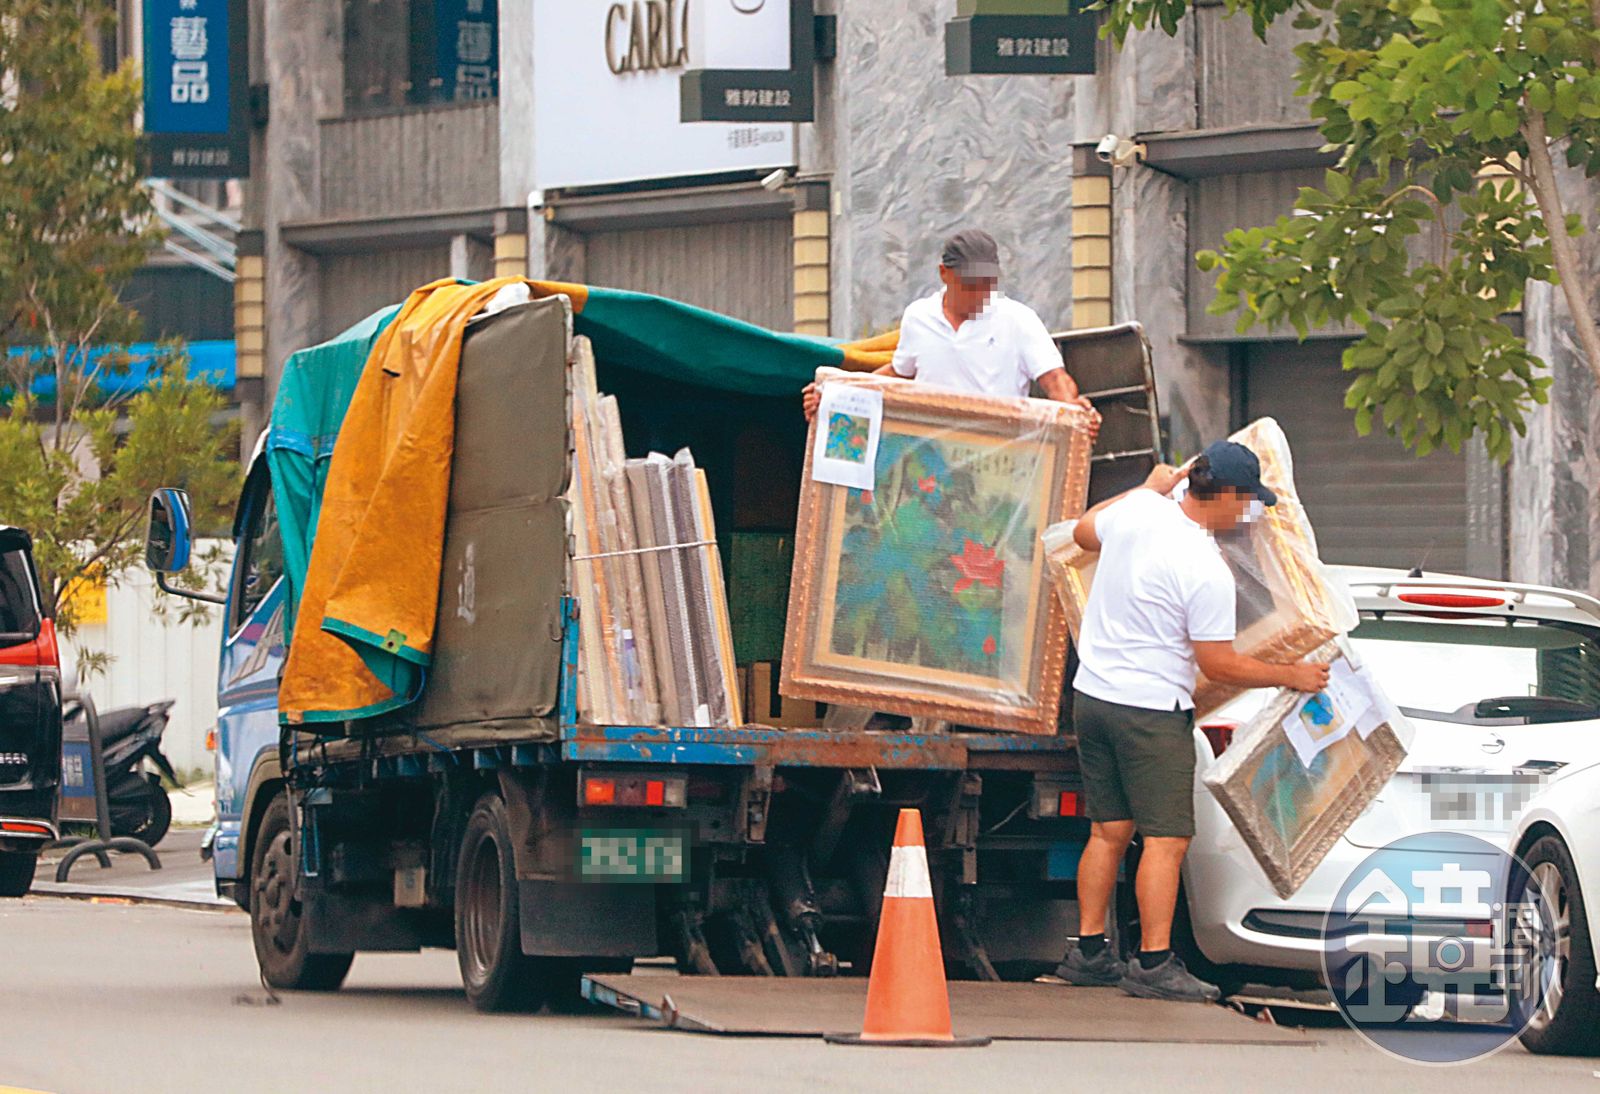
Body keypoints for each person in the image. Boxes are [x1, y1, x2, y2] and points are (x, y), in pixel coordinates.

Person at [1055, 443, 1331, 1003]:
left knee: (1109, 831)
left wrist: (1149, 487)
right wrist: (1290, 675)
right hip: (1149, 711)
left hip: (1094, 698)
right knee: (1166, 839)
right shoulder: (1204, 568)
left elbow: (1083, 533)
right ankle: (1153, 964)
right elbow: (1218, 663)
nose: (1248, 513)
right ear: (1224, 495)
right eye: (1248, 501)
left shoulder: (1140, 510)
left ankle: (1087, 953)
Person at [803, 228, 1098, 421]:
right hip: (930, 460)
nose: (979, 294)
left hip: (999, 456)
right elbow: (898, 374)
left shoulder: (1017, 320)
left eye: (987, 285)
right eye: (970, 285)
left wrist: (1073, 410)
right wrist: (833, 394)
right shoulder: (919, 318)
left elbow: (1054, 380)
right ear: (945, 274)